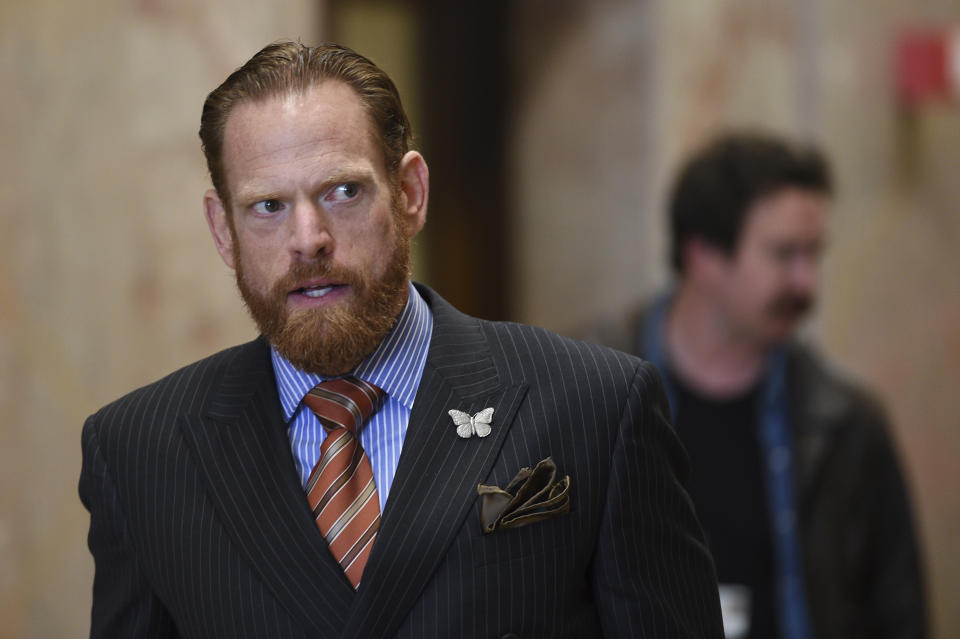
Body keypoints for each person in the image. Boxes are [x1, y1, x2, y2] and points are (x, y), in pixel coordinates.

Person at [78, 41, 724, 639]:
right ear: (223, 230)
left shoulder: (596, 405)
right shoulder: (140, 452)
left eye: (342, 191)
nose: (308, 238)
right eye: (268, 206)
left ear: (410, 193)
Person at [583, 132, 927, 639]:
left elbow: (899, 614)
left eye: (813, 255)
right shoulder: (584, 393)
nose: (807, 283)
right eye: (784, 254)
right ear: (703, 256)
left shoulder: (845, 423)